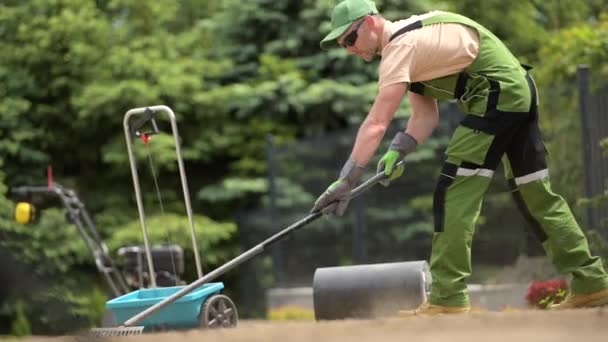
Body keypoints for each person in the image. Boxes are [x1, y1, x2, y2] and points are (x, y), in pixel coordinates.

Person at [311, 0, 608, 314]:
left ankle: (447, 296)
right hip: (518, 90)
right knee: (534, 193)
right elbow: (424, 117)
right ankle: (591, 282)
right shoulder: (413, 43)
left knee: (453, 193)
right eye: (342, 44)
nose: (348, 48)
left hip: (495, 97)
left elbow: (376, 122)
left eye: (350, 39)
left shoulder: (400, 46)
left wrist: (346, 179)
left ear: (369, 23)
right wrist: (398, 152)